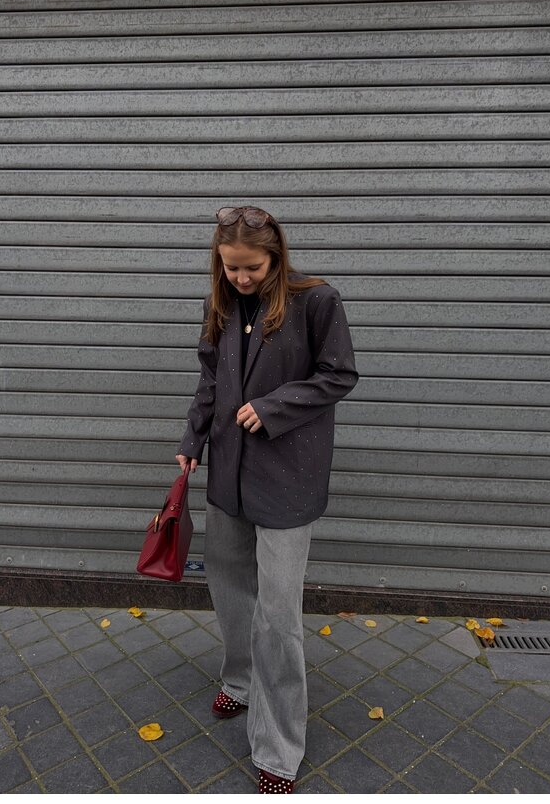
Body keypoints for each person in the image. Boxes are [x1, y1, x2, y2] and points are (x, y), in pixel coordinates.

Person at [175, 206, 358, 793]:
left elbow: (339, 375)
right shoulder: (220, 300)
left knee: (278, 616)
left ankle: (278, 752)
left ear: (275, 256)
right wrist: (192, 439)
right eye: (230, 269)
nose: (241, 279)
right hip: (227, 470)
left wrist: (273, 406)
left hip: (287, 477)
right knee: (228, 589)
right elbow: (209, 376)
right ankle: (240, 680)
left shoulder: (318, 301)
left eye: (251, 268)